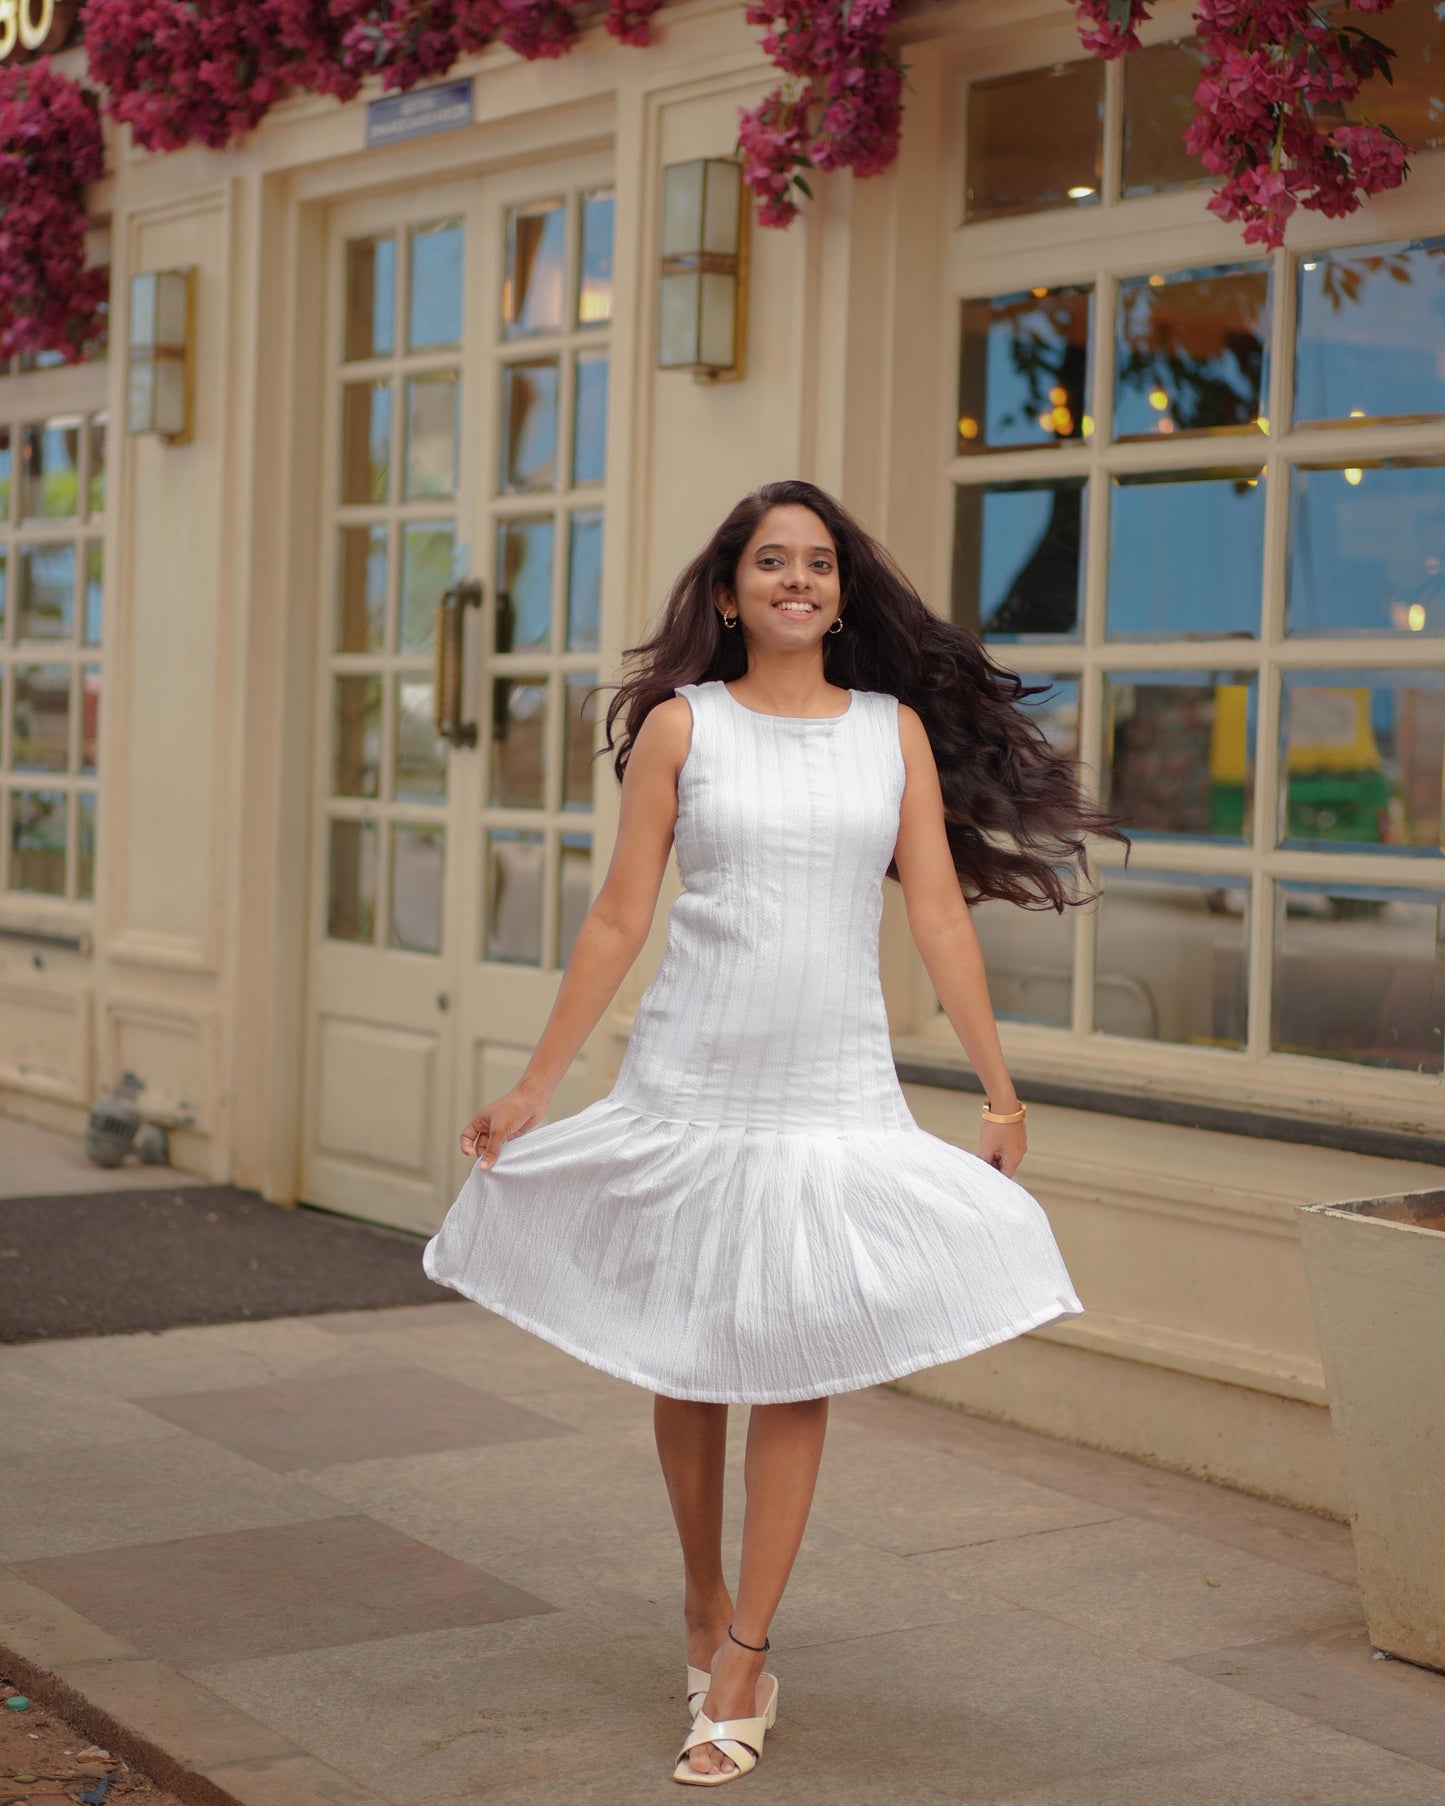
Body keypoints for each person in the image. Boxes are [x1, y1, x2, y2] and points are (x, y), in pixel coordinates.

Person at [423, 479, 1123, 1786]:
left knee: (794, 1358)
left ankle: (745, 1651)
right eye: (769, 562)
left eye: (816, 563)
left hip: (829, 1087)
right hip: (690, 1076)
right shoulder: (683, 730)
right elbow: (618, 920)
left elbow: (937, 917)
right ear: (731, 589)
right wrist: (533, 1087)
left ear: (841, 591)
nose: (795, 580)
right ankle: (700, 1598)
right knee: (687, 1354)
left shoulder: (890, 732)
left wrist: (998, 1087)